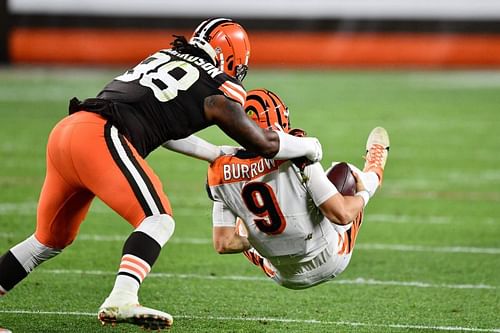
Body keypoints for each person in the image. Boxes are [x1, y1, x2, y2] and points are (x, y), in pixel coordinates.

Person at [0, 19, 323, 330]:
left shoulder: (163, 57)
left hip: (67, 132)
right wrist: (309, 146)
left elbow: (161, 124)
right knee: (158, 219)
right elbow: (264, 143)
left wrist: (212, 152)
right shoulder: (218, 86)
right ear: (231, 58)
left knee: (49, 240)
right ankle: (122, 297)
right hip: (100, 137)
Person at [207, 88, 390, 290]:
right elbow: (343, 214)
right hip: (329, 259)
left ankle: (259, 229)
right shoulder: (299, 154)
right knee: (346, 176)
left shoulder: (222, 168)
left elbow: (224, 244)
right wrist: (365, 193)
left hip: (283, 276)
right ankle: (374, 174)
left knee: (244, 220)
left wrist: (255, 232)